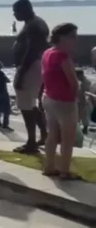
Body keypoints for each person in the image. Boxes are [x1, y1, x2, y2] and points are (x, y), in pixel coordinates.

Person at [40, 23, 80, 180]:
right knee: (67, 138)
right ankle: (64, 171)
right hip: (64, 102)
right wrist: (79, 100)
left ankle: (49, 166)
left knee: (52, 134)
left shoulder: (47, 53)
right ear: (62, 37)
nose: (75, 40)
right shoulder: (62, 56)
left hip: (48, 98)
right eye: (73, 36)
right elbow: (73, 82)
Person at [12, 0, 50, 154]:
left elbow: (30, 51)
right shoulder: (36, 22)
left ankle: (31, 143)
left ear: (25, 9)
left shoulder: (33, 25)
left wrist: (21, 73)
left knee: (25, 107)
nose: (14, 15)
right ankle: (44, 135)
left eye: (16, 11)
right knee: (32, 104)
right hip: (35, 66)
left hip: (30, 67)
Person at [75, 69, 91, 135]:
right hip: (78, 101)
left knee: (84, 115)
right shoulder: (78, 81)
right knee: (77, 116)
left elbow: (87, 92)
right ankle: (78, 128)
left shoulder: (86, 82)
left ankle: (85, 128)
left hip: (85, 101)